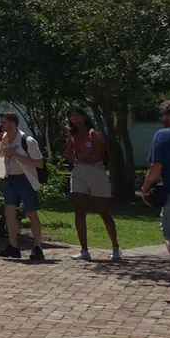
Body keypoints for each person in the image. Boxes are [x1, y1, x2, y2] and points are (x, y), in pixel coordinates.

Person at [137, 98, 170, 302]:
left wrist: (145, 187)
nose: (161, 119)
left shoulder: (163, 135)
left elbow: (156, 167)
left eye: (163, 115)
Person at [63, 109, 122, 262]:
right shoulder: (73, 136)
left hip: (96, 171)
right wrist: (69, 137)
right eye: (72, 117)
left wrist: (82, 160)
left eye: (77, 116)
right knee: (79, 211)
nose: (75, 119)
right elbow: (69, 156)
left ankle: (115, 246)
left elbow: (98, 156)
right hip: (79, 173)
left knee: (103, 211)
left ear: (84, 117)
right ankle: (84, 250)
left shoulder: (94, 134)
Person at [0, 111, 45, 261]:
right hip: (9, 179)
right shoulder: (3, 139)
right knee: (10, 212)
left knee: (31, 212)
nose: (0, 125)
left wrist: (16, 155)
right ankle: (13, 247)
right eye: (0, 122)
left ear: (12, 124)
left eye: (3, 123)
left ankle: (37, 247)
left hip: (25, 179)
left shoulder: (27, 140)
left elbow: (39, 163)